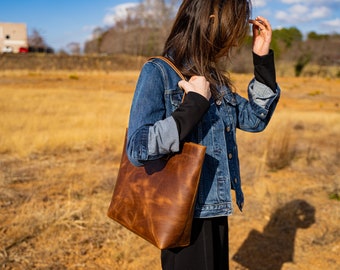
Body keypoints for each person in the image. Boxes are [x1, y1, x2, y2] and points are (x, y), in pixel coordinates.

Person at [126, 0, 280, 269]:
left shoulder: (213, 80)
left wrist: (262, 60)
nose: (233, 42)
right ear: (210, 21)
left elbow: (255, 119)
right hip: (181, 212)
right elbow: (138, 149)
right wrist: (193, 104)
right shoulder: (158, 72)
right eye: (231, 29)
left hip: (215, 208)